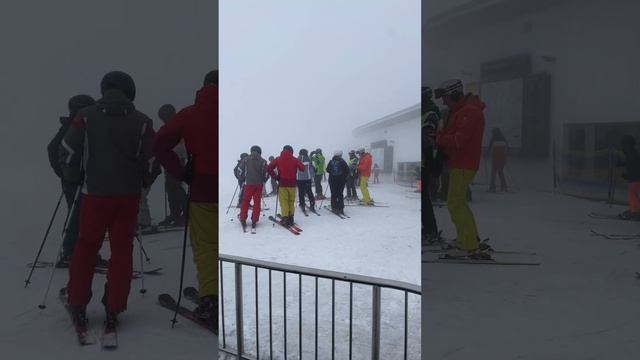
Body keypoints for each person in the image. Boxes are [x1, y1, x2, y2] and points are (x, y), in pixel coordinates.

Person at [59, 71, 155, 332]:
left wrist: (75, 177)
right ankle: (114, 305)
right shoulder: (142, 121)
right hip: (128, 196)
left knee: (87, 246)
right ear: (129, 91)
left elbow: (67, 151)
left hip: (95, 194)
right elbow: (150, 159)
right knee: (122, 250)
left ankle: (77, 300)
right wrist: (143, 182)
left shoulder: (86, 116)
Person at [154, 70, 218, 329]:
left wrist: (180, 172)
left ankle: (211, 300)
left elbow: (159, 144)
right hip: (223, 189)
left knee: (206, 246)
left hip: (202, 187)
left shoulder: (189, 113)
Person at [47, 95, 110, 269]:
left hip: (77, 178)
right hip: (77, 179)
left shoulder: (81, 123)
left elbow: (53, 149)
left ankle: (80, 252)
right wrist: (65, 173)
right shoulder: (74, 124)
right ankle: (70, 252)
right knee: (79, 216)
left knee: (82, 216)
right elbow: (53, 149)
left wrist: (64, 173)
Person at [434, 79, 487, 258]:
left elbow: (459, 140)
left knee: (456, 203)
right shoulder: (460, 112)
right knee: (457, 203)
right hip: (460, 163)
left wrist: (439, 137)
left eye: (446, 98)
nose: (444, 102)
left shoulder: (469, 112)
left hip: (464, 164)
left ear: (456, 95)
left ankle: (469, 242)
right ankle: (467, 238)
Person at [157, 104, 188, 227]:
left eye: (164, 117)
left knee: (174, 186)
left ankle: (184, 214)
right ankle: (176, 213)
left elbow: (182, 143)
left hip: (177, 158)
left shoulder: (179, 125)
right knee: (170, 186)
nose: (163, 120)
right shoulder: (172, 125)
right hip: (170, 158)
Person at [421, 86, 444, 244]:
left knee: (423, 198)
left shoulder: (431, 114)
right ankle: (428, 229)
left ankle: (430, 230)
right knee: (422, 198)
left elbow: (428, 138)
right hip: (422, 160)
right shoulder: (424, 113)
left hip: (426, 160)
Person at [267, 145, 304, 226]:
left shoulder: (278, 159)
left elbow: (269, 168)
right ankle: (291, 217)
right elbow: (302, 168)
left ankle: (285, 217)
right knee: (291, 201)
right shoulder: (295, 159)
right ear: (291, 151)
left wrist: (276, 177)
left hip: (282, 184)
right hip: (293, 184)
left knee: (284, 201)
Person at [239, 145, 268, 230]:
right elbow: (266, 173)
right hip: (258, 184)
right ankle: (254, 219)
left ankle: (243, 218)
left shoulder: (246, 159)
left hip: (249, 184)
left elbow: (240, 170)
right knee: (257, 202)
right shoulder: (263, 161)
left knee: (245, 201)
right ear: (259, 151)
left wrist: (242, 178)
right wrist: (264, 180)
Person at [618, 136, 640, 220]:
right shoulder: (631, 152)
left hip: (636, 177)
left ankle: (636, 212)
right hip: (635, 177)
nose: (622, 146)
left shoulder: (631, 152)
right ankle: (635, 210)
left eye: (623, 144)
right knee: (632, 193)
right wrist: (621, 163)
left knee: (632, 193)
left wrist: (629, 175)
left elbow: (635, 166)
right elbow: (630, 163)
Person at [487, 127, 509, 192]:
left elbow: (489, 147)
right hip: (502, 158)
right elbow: (507, 147)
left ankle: (492, 187)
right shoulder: (503, 138)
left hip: (495, 157)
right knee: (500, 171)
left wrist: (485, 154)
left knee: (493, 172)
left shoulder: (494, 138)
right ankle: (504, 186)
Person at [296, 149, 316, 213]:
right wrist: (312, 177)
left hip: (299, 179)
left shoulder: (297, 160)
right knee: (309, 191)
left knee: (301, 192)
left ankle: (302, 205)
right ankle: (312, 204)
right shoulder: (308, 159)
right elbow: (311, 169)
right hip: (307, 178)